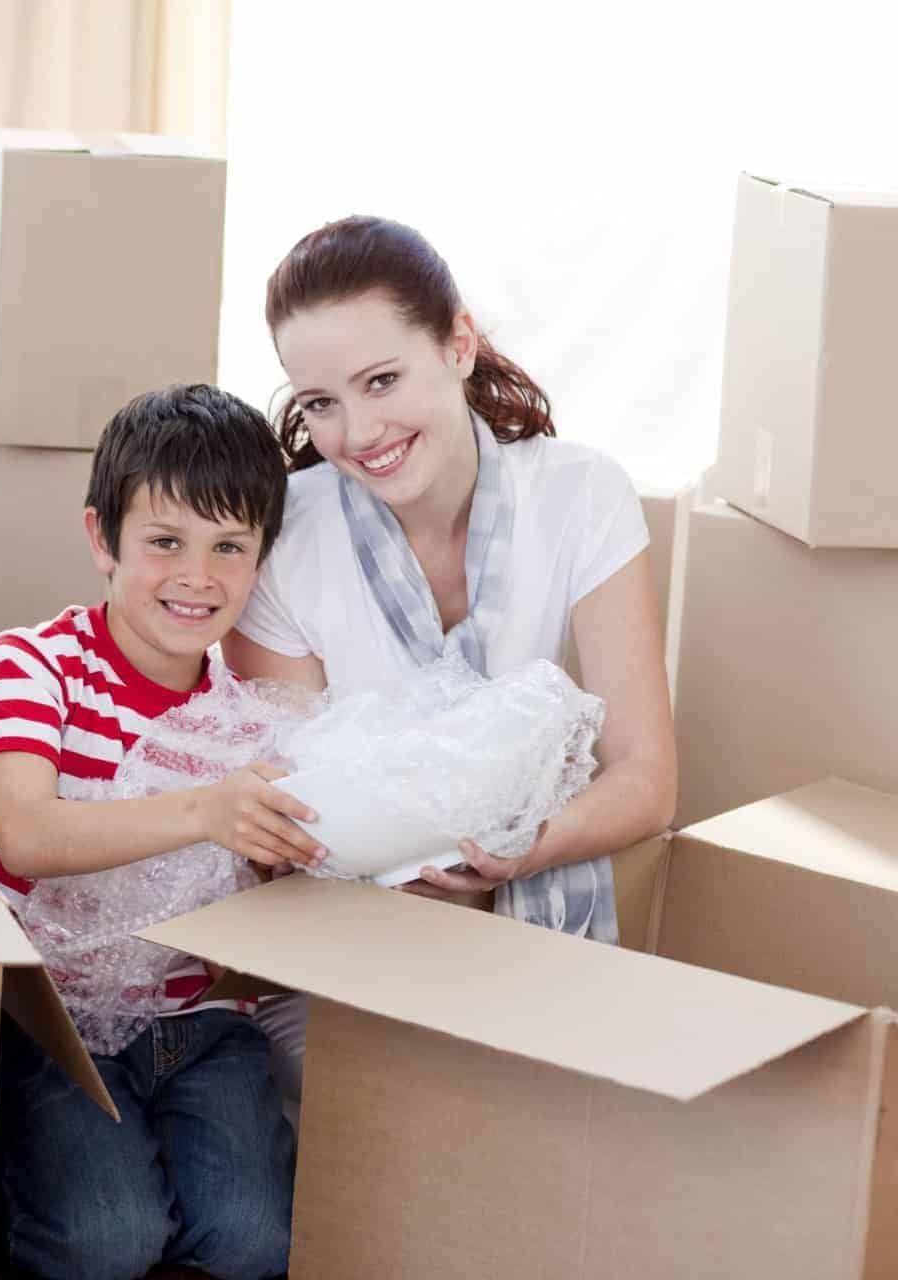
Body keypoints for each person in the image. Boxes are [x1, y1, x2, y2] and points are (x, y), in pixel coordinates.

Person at [225, 214, 678, 1110]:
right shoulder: (289, 536)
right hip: (349, 948)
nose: (357, 432)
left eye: (382, 380)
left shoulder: (580, 496)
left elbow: (647, 776)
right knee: (398, 1112)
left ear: (460, 344)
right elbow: (283, 819)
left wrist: (520, 851)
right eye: (320, 403)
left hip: (535, 924)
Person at [0, 384, 308, 1280]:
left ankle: (142, 1185)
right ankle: (12, 1186)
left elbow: (263, 909)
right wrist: (206, 809)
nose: (198, 577)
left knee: (256, 1242)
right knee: (108, 1240)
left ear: (261, 559)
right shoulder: (33, 665)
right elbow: (26, 834)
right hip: (52, 1022)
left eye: (230, 546)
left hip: (199, 1022)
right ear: (101, 539)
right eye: (165, 542)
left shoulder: (247, 718)